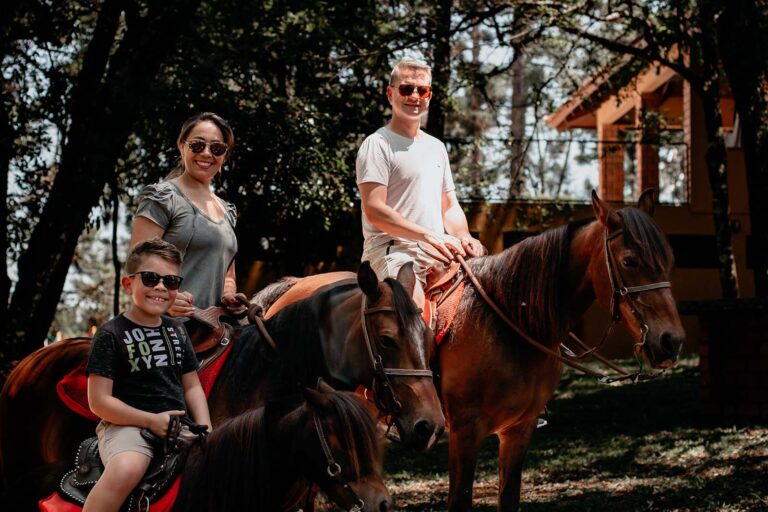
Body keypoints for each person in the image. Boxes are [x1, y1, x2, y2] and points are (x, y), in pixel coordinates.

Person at [83, 238, 211, 512]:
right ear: (128, 284)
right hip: (127, 427)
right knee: (127, 469)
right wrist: (150, 421)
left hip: (177, 427)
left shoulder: (177, 330)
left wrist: (207, 429)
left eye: (171, 281)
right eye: (151, 278)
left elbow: (192, 387)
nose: (161, 287)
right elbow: (99, 401)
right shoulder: (110, 334)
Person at [356, 59, 485, 306]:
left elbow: (449, 206)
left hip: (437, 253)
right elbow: (375, 211)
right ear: (390, 93)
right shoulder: (378, 144)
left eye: (421, 90)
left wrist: (465, 236)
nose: (414, 96)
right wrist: (431, 236)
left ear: (429, 96)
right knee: (410, 315)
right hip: (393, 253)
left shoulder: (436, 147)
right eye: (406, 89)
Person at [130, 112, 245, 317]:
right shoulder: (163, 197)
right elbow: (136, 265)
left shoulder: (227, 211)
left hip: (214, 329)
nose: (207, 153)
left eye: (216, 148)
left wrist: (230, 296)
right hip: (164, 327)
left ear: (224, 156)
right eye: (197, 145)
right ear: (182, 146)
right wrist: (167, 300)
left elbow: (228, 274)